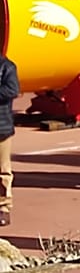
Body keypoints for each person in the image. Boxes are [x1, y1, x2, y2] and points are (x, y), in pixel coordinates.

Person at [0, 49, 16, 227]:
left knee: (3, 171)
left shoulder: (7, 67)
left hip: (1, 128)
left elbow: (12, 89)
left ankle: (4, 208)